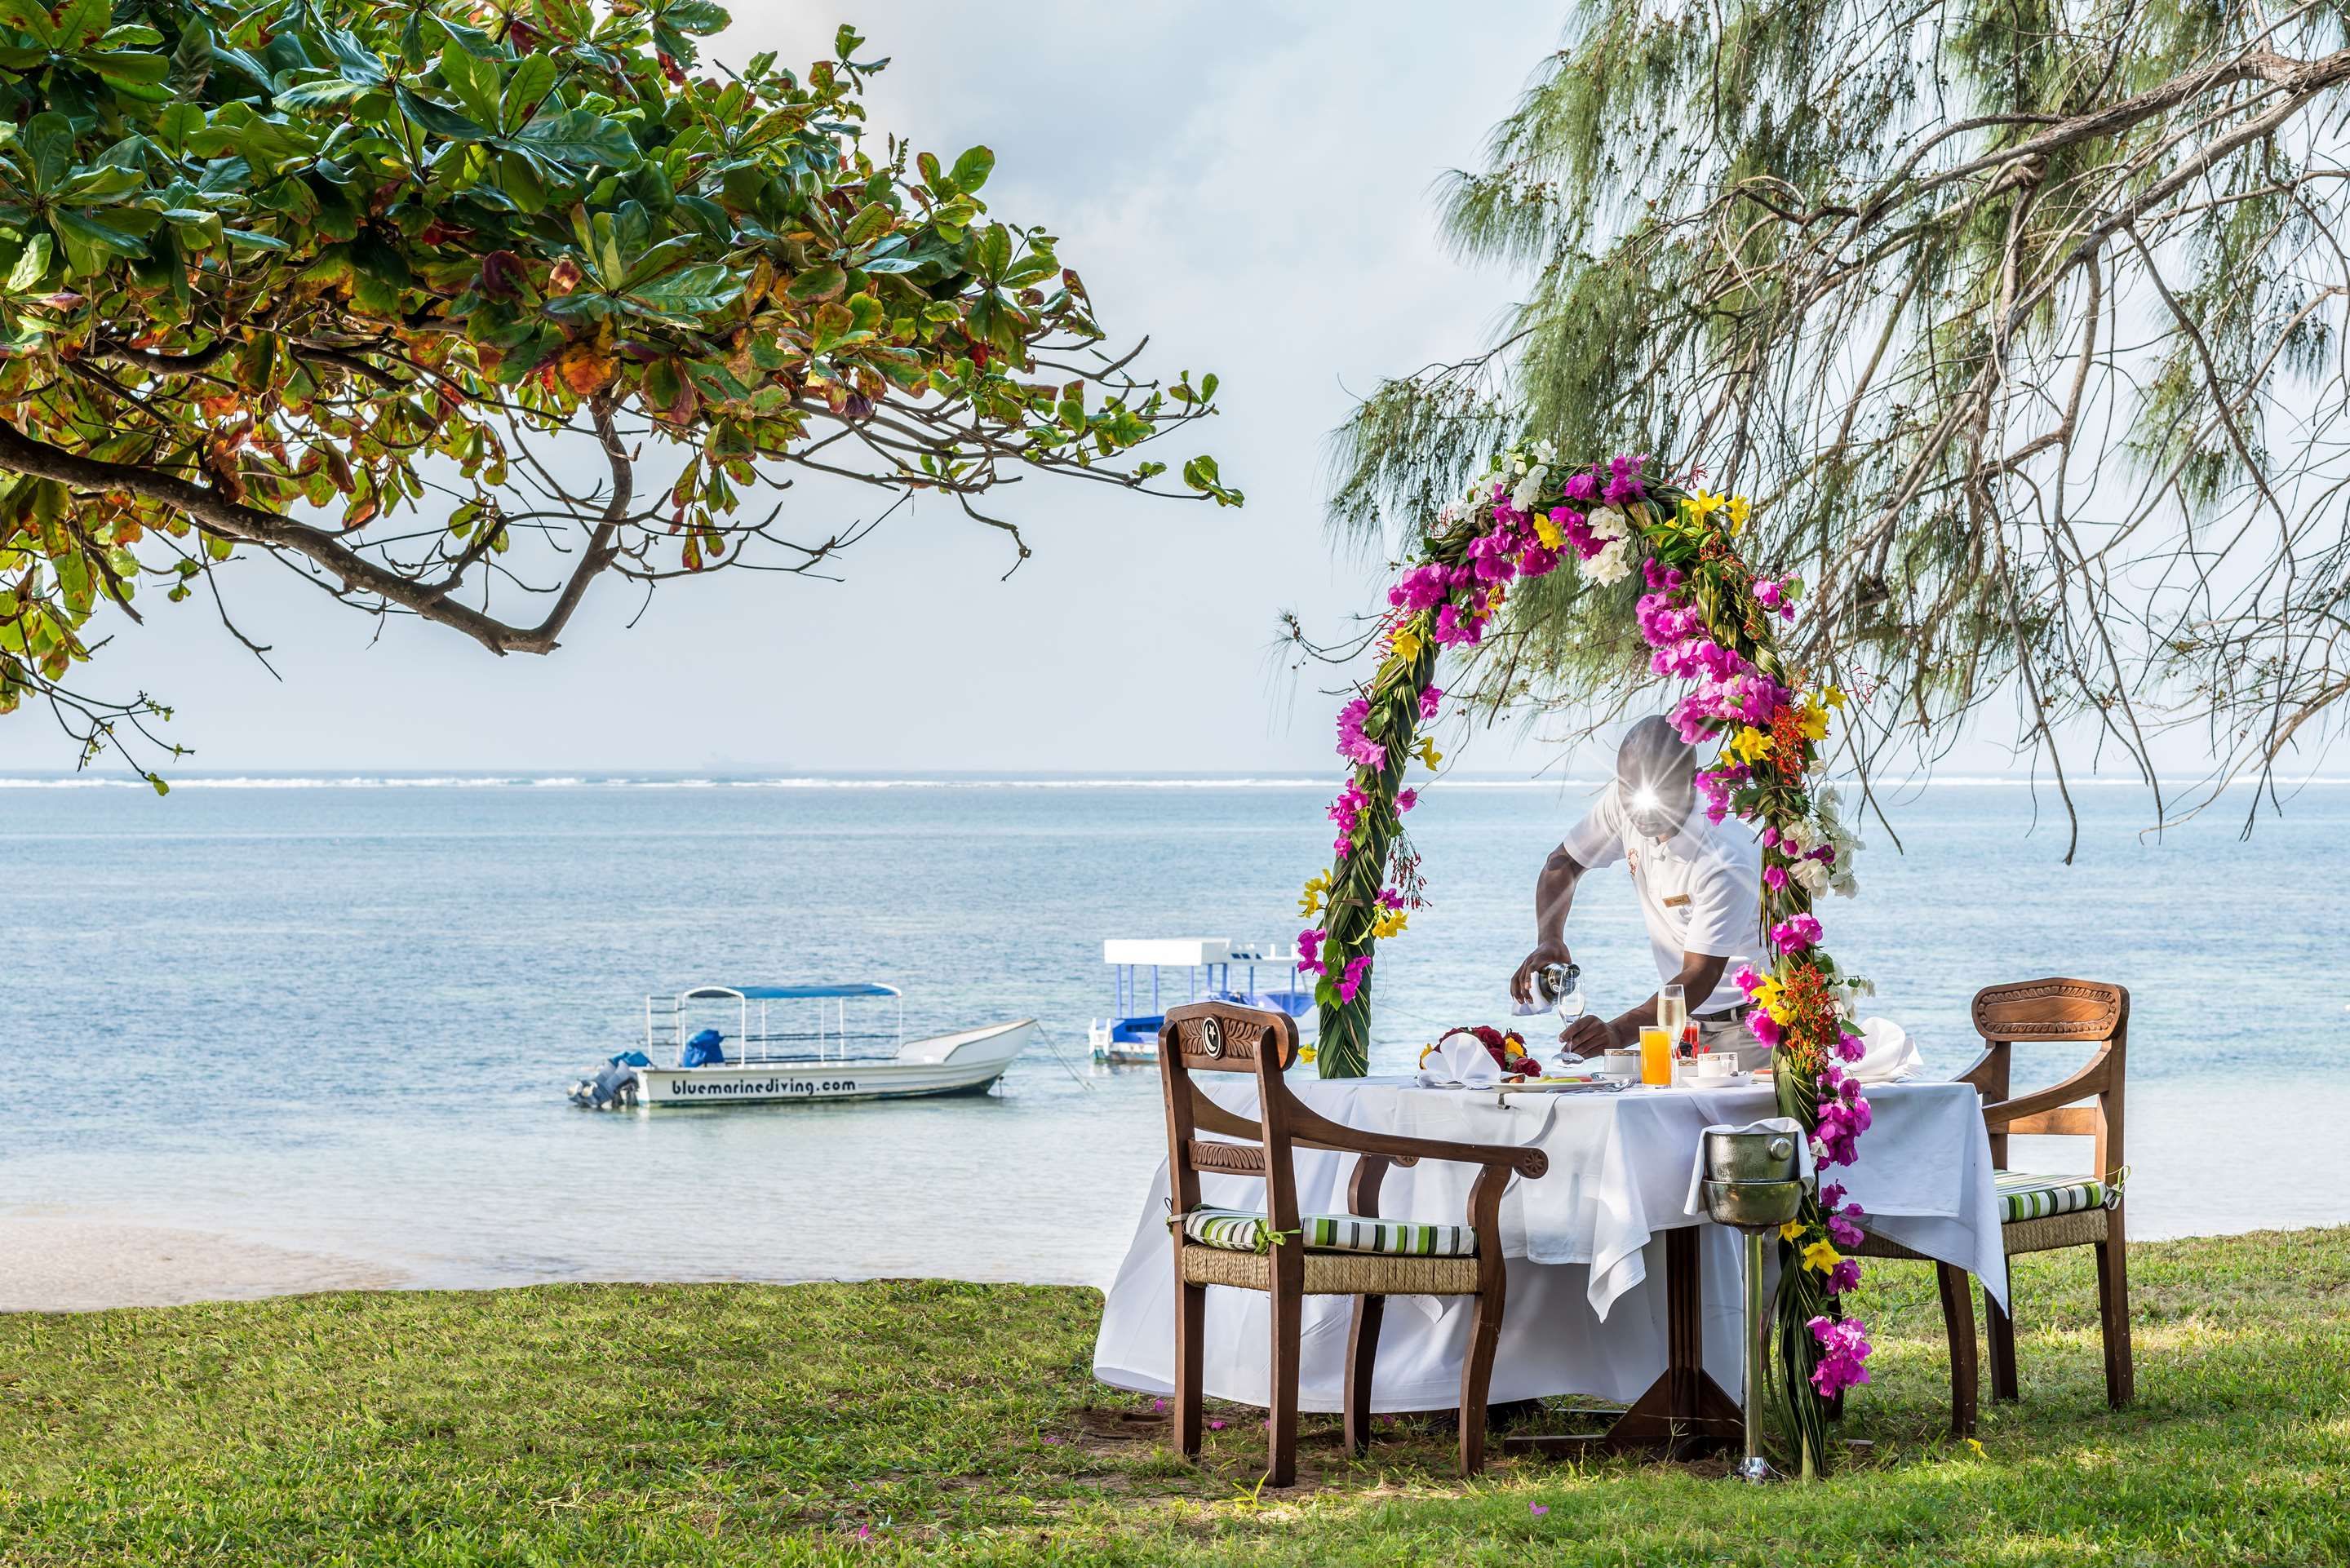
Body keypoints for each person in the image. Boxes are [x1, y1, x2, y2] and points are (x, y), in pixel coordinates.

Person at [1510, 715, 1768, 1069]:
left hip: (1748, 1028)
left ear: (1691, 782)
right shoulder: (1629, 800)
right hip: (1683, 1025)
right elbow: (1563, 862)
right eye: (1628, 788)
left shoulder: (1723, 856)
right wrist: (1549, 940)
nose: (1639, 807)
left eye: (1658, 790)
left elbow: (1699, 975)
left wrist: (1617, 1033)